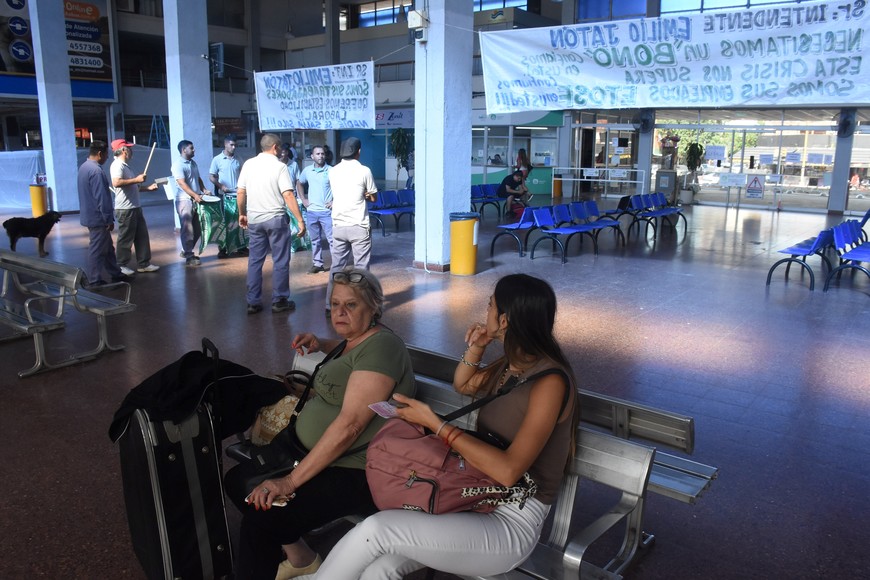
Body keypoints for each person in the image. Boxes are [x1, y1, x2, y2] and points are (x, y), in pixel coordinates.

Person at [315, 273, 578, 579]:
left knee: (377, 529)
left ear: (504, 321)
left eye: (490, 306)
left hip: (510, 521)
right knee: (379, 569)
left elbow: (509, 471)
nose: (486, 311)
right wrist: (478, 347)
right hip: (472, 497)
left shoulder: (550, 382)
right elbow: (463, 384)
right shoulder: (511, 365)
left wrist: (436, 426)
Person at [224, 267, 416, 580]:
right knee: (238, 481)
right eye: (335, 304)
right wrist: (323, 343)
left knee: (264, 517)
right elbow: (355, 356)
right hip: (309, 453)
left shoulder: (383, 347)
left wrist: (289, 482)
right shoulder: (353, 340)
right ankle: (302, 558)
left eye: (351, 305)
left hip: (355, 470)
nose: (339, 312)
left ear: (375, 307)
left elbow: (351, 426)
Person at [237, 133, 306, 315]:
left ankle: (253, 302)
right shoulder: (279, 167)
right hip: (275, 219)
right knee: (280, 260)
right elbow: (288, 195)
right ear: (275, 147)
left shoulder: (248, 164)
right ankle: (280, 300)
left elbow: (241, 192)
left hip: (255, 219)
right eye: (281, 148)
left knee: (255, 261)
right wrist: (299, 219)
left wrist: (242, 213)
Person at [325, 137, 378, 317]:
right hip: (358, 225)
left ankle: (330, 304)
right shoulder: (364, 171)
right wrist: (365, 194)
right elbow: (373, 197)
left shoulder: (332, 171)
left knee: (337, 267)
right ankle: (359, 304)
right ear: (359, 152)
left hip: (338, 225)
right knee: (361, 268)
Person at [77, 140, 131, 287]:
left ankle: (115, 273)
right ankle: (94, 279)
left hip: (89, 215)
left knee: (107, 248)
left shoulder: (84, 167)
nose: (107, 157)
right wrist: (108, 218)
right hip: (98, 218)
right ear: (100, 153)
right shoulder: (96, 171)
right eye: (106, 154)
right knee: (97, 249)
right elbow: (101, 197)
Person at [109, 139, 159, 276]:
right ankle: (121, 265)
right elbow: (116, 182)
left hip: (135, 206)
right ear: (124, 150)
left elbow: (133, 186)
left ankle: (144, 264)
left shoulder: (126, 166)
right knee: (125, 238)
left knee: (141, 236)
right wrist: (136, 179)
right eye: (130, 148)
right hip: (125, 209)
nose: (132, 151)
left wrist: (147, 188)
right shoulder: (117, 165)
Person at [296, 145, 333, 275]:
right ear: (312, 156)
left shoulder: (331, 170)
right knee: (315, 240)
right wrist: (303, 199)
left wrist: (335, 201)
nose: (320, 156)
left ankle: (337, 266)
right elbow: (299, 183)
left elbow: (341, 187)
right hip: (311, 212)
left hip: (327, 213)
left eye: (322, 154)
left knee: (332, 240)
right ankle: (318, 264)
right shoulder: (307, 171)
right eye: (317, 154)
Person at [209, 135, 245, 259]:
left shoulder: (238, 159)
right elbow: (211, 176)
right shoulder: (217, 159)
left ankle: (240, 246)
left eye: (235, 145)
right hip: (225, 196)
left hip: (237, 195)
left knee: (240, 221)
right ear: (225, 145)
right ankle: (223, 248)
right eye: (231, 145)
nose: (234, 147)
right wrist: (220, 185)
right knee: (225, 222)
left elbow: (243, 175)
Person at [171, 140, 206, 266]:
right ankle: (189, 256)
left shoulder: (192, 163)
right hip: (184, 200)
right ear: (184, 150)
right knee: (188, 229)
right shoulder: (178, 165)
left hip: (194, 199)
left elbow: (198, 178)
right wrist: (195, 195)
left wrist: (203, 189)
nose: (194, 150)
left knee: (198, 228)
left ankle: (185, 250)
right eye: (191, 148)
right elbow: (181, 183)